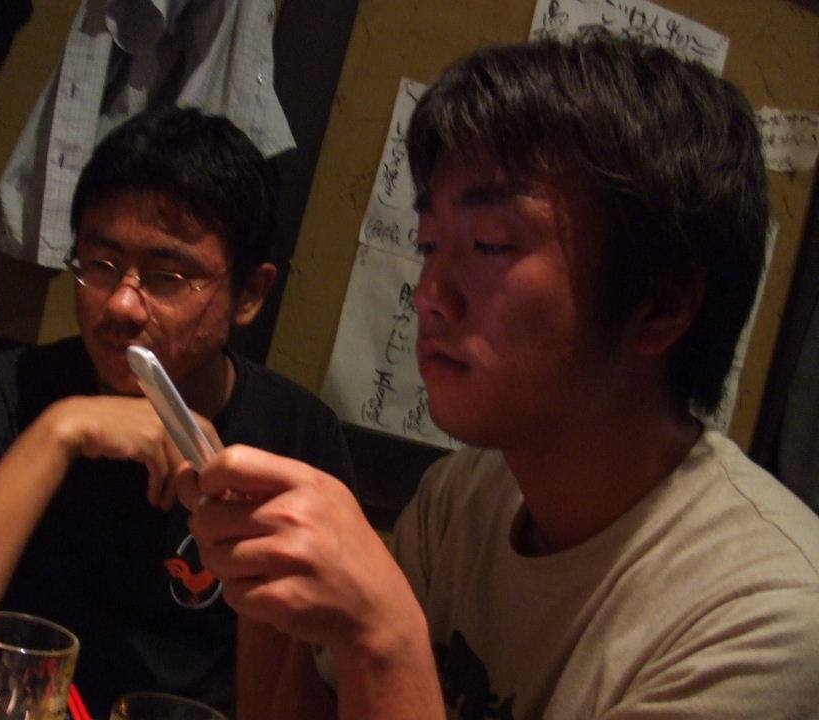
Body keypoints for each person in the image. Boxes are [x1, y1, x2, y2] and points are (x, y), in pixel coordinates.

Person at [181, 37, 819, 719]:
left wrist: (383, 639)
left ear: (660, 306)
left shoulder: (772, 619)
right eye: (430, 244)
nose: (430, 294)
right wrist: (268, 589)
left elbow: (382, 654)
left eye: (489, 245)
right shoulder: (462, 498)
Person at [0, 106, 355, 717]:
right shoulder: (9, 392)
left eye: (168, 276)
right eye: (100, 266)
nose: (122, 305)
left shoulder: (297, 436)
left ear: (250, 294)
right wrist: (63, 429)